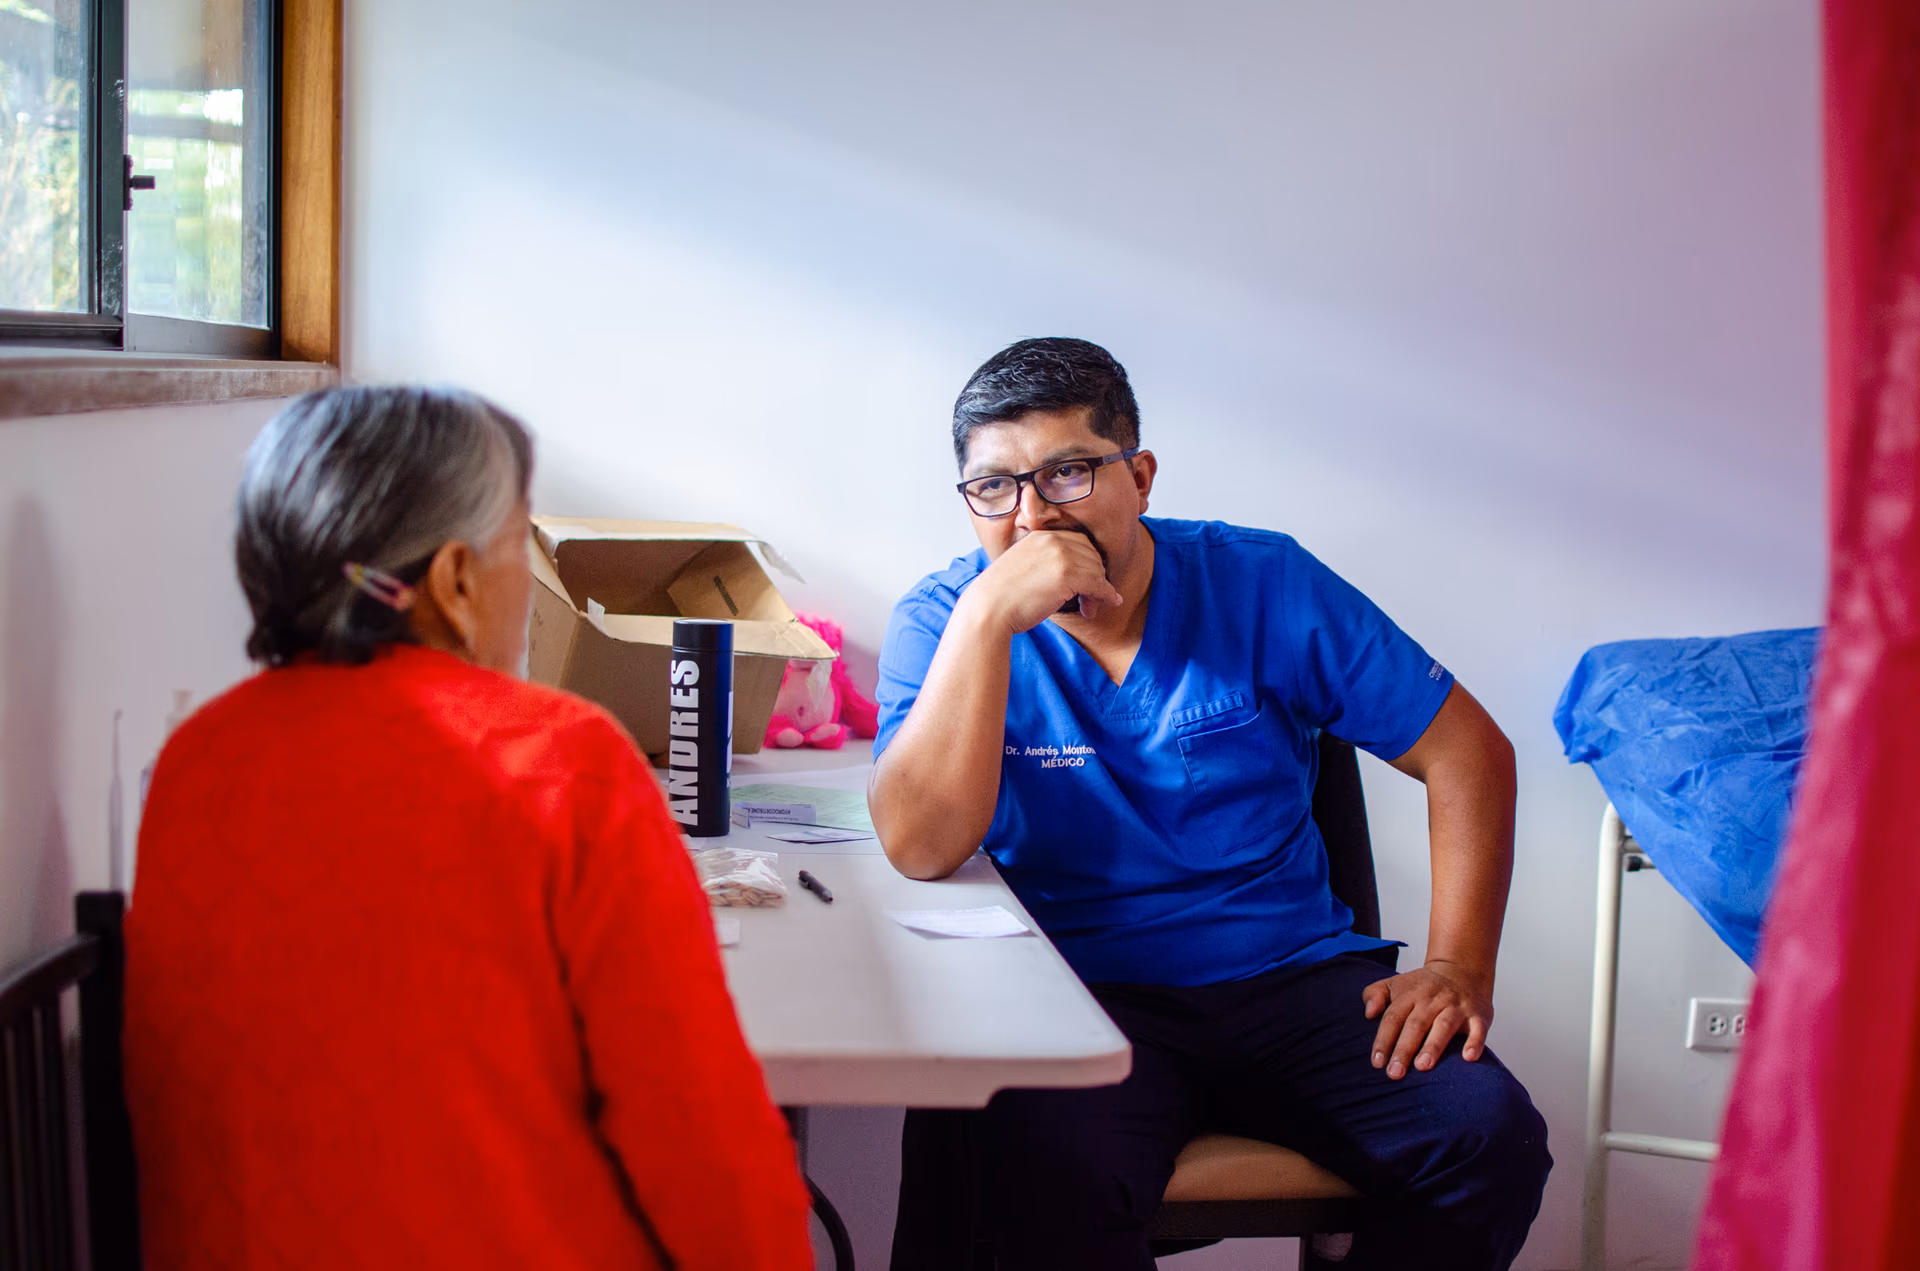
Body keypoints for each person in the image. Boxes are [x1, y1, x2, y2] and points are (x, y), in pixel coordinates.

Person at [870, 339, 1552, 1270]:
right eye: (995, 488)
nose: (1032, 518)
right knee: (1044, 1169)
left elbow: (1469, 751)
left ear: (1139, 476)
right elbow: (918, 846)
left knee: (1488, 1137)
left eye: (1068, 473)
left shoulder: (1261, 581)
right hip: (1080, 994)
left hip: (1291, 980)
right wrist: (989, 621)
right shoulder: (942, 621)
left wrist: (1458, 967)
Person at [124, 386, 813, 1271]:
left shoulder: (195, 761)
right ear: (453, 580)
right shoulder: (561, 758)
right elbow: (694, 1124)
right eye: (519, 546)